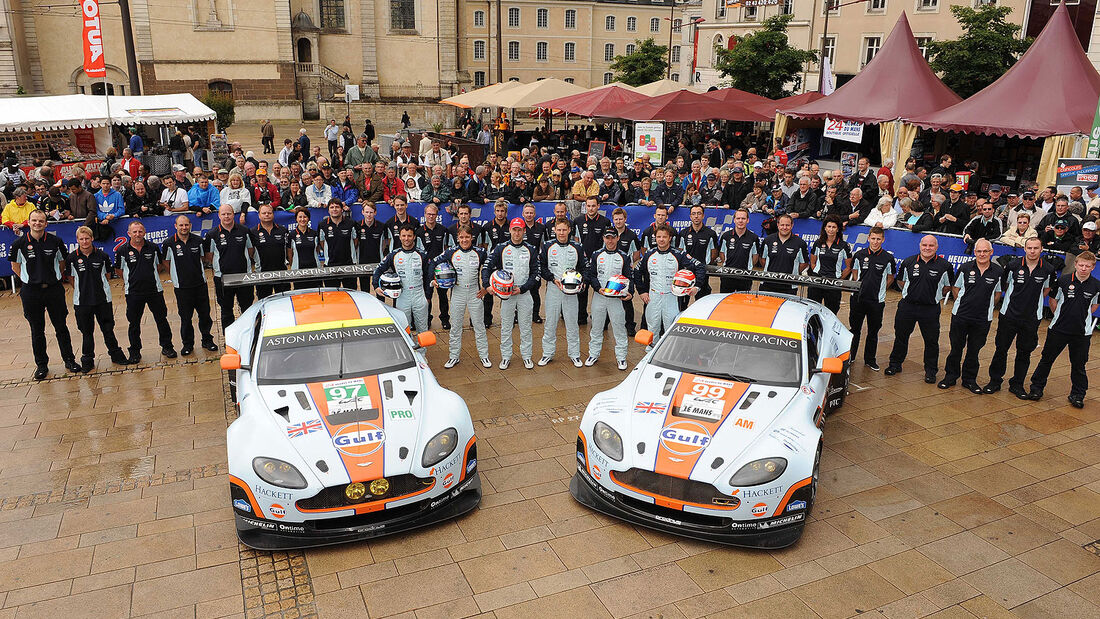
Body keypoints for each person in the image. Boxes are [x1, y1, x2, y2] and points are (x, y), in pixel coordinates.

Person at [9, 210, 81, 379]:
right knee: (37, 329)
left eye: (41, 221)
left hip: (53, 289)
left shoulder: (55, 241)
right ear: (29, 222)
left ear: (46, 223)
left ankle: (69, 360)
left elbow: (62, 263)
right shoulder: (19, 244)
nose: (37, 224)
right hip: (31, 292)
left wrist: (52, 277)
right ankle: (41, 365)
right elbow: (15, 266)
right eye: (34, 221)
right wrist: (29, 280)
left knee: (61, 327)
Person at [1024, 251, 1099, 407]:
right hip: (1058, 329)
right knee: (1046, 360)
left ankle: (1077, 395)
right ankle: (1036, 389)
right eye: (1081, 265)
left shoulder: (1096, 285)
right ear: (1076, 264)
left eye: (1087, 266)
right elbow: (1053, 300)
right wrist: (1061, 316)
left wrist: (1081, 317)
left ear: (1093, 267)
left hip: (1081, 333)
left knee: (1079, 365)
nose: (1083, 268)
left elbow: (1094, 305)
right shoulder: (1064, 281)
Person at [885, 235, 954, 382]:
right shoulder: (908, 262)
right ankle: (895, 364)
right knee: (901, 337)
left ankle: (930, 371)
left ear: (936, 247)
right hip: (907, 307)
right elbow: (901, 281)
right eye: (924, 245)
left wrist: (932, 296)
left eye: (931, 246)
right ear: (920, 246)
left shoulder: (945, 266)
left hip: (930, 309)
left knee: (931, 341)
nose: (927, 248)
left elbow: (947, 286)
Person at [938, 239, 1002, 393]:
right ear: (975, 252)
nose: (982, 254)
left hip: (982, 319)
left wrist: (986, 306)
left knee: (974, 351)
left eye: (985, 251)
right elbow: (956, 288)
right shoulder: (965, 268)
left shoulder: (998, 271)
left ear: (991, 252)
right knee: (956, 348)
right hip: (961, 316)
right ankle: (950, 376)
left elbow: (998, 292)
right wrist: (965, 304)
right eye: (979, 251)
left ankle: (969, 380)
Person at [115, 219, 176, 363]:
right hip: (134, 293)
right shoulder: (122, 250)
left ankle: (167, 346)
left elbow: (160, 265)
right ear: (129, 233)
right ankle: (135, 351)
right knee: (134, 323)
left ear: (145, 232)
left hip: (154, 290)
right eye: (134, 232)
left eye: (140, 231)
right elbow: (119, 271)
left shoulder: (153, 247)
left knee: (162, 320)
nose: (137, 234)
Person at [69, 225, 128, 371]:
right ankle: (87, 359)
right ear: (77, 240)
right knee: (87, 332)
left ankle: (116, 355)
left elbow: (107, 276)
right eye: (81, 239)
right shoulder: (72, 258)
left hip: (102, 300)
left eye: (87, 238)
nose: (84, 242)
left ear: (92, 238)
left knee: (108, 329)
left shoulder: (102, 256)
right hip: (82, 302)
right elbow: (71, 279)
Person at [482, 218, 539, 369]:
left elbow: (536, 273)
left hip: (524, 293)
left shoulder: (531, 249)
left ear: (524, 231)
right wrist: (487, 285)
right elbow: (486, 267)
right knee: (506, 326)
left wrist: (523, 288)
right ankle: (506, 357)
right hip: (506, 295)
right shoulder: (501, 248)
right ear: (510, 231)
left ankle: (527, 356)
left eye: (520, 230)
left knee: (526, 326)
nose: (517, 233)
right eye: (514, 230)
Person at [432, 225, 491, 369]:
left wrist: (486, 286)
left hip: (475, 293)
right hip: (457, 293)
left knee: (479, 326)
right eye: (462, 237)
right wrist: (433, 279)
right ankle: (453, 357)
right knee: (455, 327)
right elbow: (433, 263)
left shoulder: (480, 252)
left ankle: (484, 356)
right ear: (457, 238)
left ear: (472, 238)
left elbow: (490, 267)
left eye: (467, 237)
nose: (464, 240)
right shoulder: (451, 251)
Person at [635, 222, 704, 340]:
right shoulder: (649, 254)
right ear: (655, 238)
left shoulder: (679, 254)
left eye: (664, 237)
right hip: (653, 296)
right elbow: (637, 271)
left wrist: (696, 287)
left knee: (670, 328)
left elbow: (700, 267)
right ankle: (651, 353)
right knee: (652, 327)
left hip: (672, 297)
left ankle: (669, 355)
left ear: (670, 238)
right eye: (658, 237)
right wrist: (642, 291)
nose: (661, 240)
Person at [162, 215, 217, 356]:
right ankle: (187, 344)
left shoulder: (198, 240)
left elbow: (204, 257)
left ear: (190, 225)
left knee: (205, 315)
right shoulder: (169, 243)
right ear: (175, 226)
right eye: (181, 225)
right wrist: (176, 276)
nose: (184, 228)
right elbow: (166, 262)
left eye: (186, 225)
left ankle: (207, 340)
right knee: (185, 318)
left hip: (200, 284)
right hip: (182, 287)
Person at [848, 225, 896, 371]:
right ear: (868, 238)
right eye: (873, 238)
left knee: (873, 331)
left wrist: (880, 290)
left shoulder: (888, 258)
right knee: (854, 329)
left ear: (883, 240)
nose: (875, 242)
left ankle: (870, 359)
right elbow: (855, 271)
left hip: (876, 301)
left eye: (878, 239)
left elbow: (890, 277)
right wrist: (861, 286)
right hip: (858, 299)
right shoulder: (859, 255)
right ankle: (851, 356)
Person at [540, 218, 585, 367]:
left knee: (572, 323)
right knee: (550, 323)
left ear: (569, 230)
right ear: (554, 230)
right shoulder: (547, 246)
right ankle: (547, 353)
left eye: (564, 230)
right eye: (558, 230)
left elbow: (583, 268)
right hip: (554, 288)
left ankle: (575, 354)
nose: (561, 233)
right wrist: (552, 279)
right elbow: (542, 268)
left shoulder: (577, 246)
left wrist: (580, 281)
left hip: (571, 290)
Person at [585, 228, 633, 370]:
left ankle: (621, 357)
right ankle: (593, 354)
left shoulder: (624, 256)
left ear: (617, 238)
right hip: (599, 296)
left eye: (612, 238)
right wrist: (597, 287)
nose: (610, 241)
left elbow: (629, 276)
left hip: (616, 299)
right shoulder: (596, 255)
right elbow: (591, 274)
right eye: (607, 238)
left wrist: (630, 292)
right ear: (604, 239)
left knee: (619, 327)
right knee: (596, 327)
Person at [373, 222, 431, 333]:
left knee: (423, 328)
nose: (406, 238)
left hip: (419, 294)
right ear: (399, 237)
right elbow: (378, 270)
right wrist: (376, 286)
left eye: (409, 236)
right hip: (402, 296)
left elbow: (428, 277)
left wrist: (428, 296)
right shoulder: (393, 255)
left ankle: (422, 351)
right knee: (404, 328)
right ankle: (408, 350)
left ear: (414, 237)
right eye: (403, 236)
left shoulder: (422, 255)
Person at [206, 204, 255, 329]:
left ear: (233, 214)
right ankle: (229, 339)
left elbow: (250, 250)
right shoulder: (212, 234)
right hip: (222, 278)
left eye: (229, 213)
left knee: (247, 309)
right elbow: (209, 255)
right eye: (223, 214)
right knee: (226, 310)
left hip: (244, 276)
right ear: (219, 216)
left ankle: (248, 336)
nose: (226, 216)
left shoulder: (244, 231)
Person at [573, 196, 612, 325]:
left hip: (598, 263)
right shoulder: (578, 221)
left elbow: (607, 241)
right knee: (582, 291)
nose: (591, 208)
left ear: (598, 206)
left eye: (593, 206)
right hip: (582, 263)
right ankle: (581, 317)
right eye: (588, 206)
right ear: (585, 206)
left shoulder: (605, 221)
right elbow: (576, 242)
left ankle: (601, 320)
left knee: (600, 290)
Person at [677, 204, 718, 309]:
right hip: (686, 274)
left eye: (699, 213)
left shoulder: (711, 233)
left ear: (703, 216)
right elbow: (680, 252)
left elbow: (714, 253)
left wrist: (704, 266)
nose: (696, 216)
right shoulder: (683, 233)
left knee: (702, 306)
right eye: (693, 214)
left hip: (703, 273)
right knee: (682, 306)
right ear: (690, 216)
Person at [807, 216, 851, 313]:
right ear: (825, 228)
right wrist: (818, 275)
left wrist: (838, 279)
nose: (831, 229)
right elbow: (813, 263)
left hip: (833, 284)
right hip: (817, 281)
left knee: (831, 312)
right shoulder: (818, 243)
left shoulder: (844, 246)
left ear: (838, 229)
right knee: (812, 310)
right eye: (829, 226)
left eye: (834, 227)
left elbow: (848, 267)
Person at [419, 204, 450, 329]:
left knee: (443, 295)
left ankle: (445, 319)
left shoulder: (443, 230)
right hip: (426, 269)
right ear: (425, 215)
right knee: (427, 295)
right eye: (429, 214)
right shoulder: (419, 231)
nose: (431, 216)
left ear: (437, 215)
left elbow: (447, 248)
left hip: (440, 268)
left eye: (433, 214)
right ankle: (427, 319)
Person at [760, 214, 809, 294]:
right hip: (767, 284)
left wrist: (794, 272)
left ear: (792, 225)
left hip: (789, 287)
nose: (784, 227)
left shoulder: (800, 243)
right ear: (778, 225)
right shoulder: (768, 240)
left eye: (787, 225)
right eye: (782, 225)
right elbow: (762, 259)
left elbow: (804, 263)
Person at [609, 207, 640, 334]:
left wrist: (628, 263)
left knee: (627, 298)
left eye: (620, 219)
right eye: (616, 219)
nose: (618, 221)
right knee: (608, 295)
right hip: (611, 271)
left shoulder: (631, 235)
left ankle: (630, 326)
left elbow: (637, 253)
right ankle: (605, 322)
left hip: (625, 272)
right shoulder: (609, 233)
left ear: (625, 219)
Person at [251, 204, 289, 299]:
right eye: (264, 213)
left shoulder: (283, 230)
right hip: (262, 274)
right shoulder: (253, 232)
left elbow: (289, 250)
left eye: (269, 213)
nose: (267, 215)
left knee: (283, 303)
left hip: (281, 273)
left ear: (273, 214)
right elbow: (250, 252)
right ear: (259, 215)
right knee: (264, 303)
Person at [717, 208, 759, 293]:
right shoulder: (726, 236)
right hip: (727, 276)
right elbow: (721, 254)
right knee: (727, 303)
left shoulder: (753, 238)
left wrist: (748, 267)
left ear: (747, 220)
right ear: (734, 220)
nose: (740, 221)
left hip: (745, 276)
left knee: (743, 303)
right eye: (738, 218)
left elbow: (755, 257)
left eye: (743, 219)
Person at [318, 198, 358, 288]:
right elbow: (322, 242)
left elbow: (355, 241)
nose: (334, 209)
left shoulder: (351, 223)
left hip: (349, 264)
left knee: (350, 294)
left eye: (337, 207)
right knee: (332, 296)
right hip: (330, 265)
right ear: (328, 210)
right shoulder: (322, 225)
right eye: (332, 207)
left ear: (342, 209)